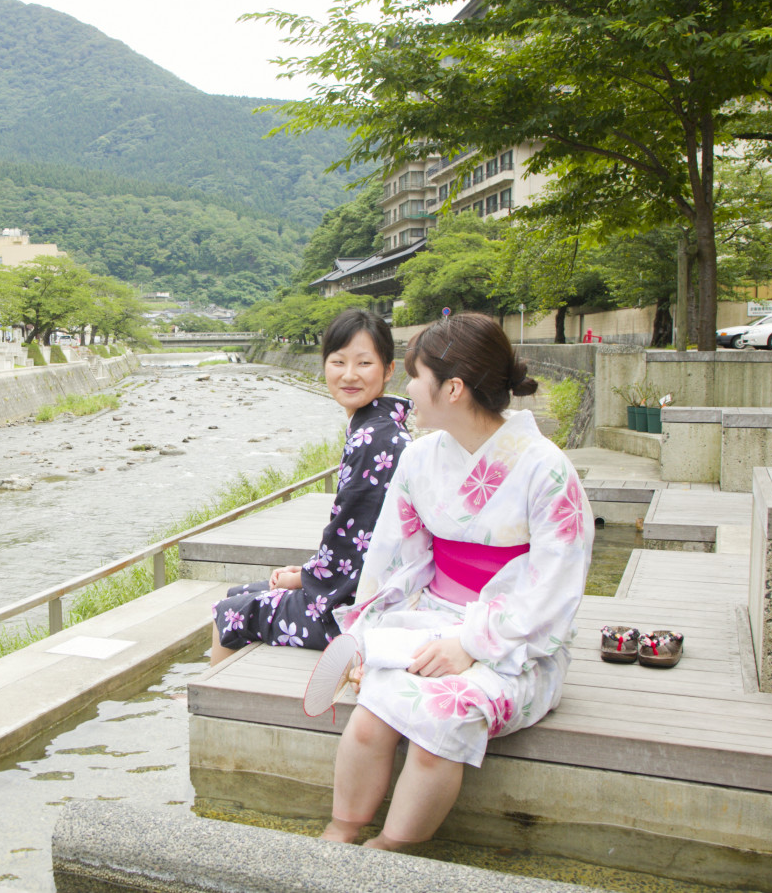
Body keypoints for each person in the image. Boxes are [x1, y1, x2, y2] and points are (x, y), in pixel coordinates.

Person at [322, 312, 593, 850]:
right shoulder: (421, 458)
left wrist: (471, 644)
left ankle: (393, 848)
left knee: (439, 726)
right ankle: (341, 829)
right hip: (431, 622)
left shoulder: (547, 470)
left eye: (415, 377)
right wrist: (363, 630)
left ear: (452, 388)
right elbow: (393, 557)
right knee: (371, 718)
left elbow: (554, 587)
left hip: (515, 641)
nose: (407, 391)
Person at [210, 309, 413, 665]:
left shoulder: (372, 439)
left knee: (230, 610)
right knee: (243, 592)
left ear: (389, 369)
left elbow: (353, 542)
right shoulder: (380, 427)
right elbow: (353, 535)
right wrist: (305, 573)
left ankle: (203, 705)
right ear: (325, 365)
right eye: (338, 362)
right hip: (371, 586)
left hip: (356, 611)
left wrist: (304, 579)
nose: (349, 375)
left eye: (364, 363)